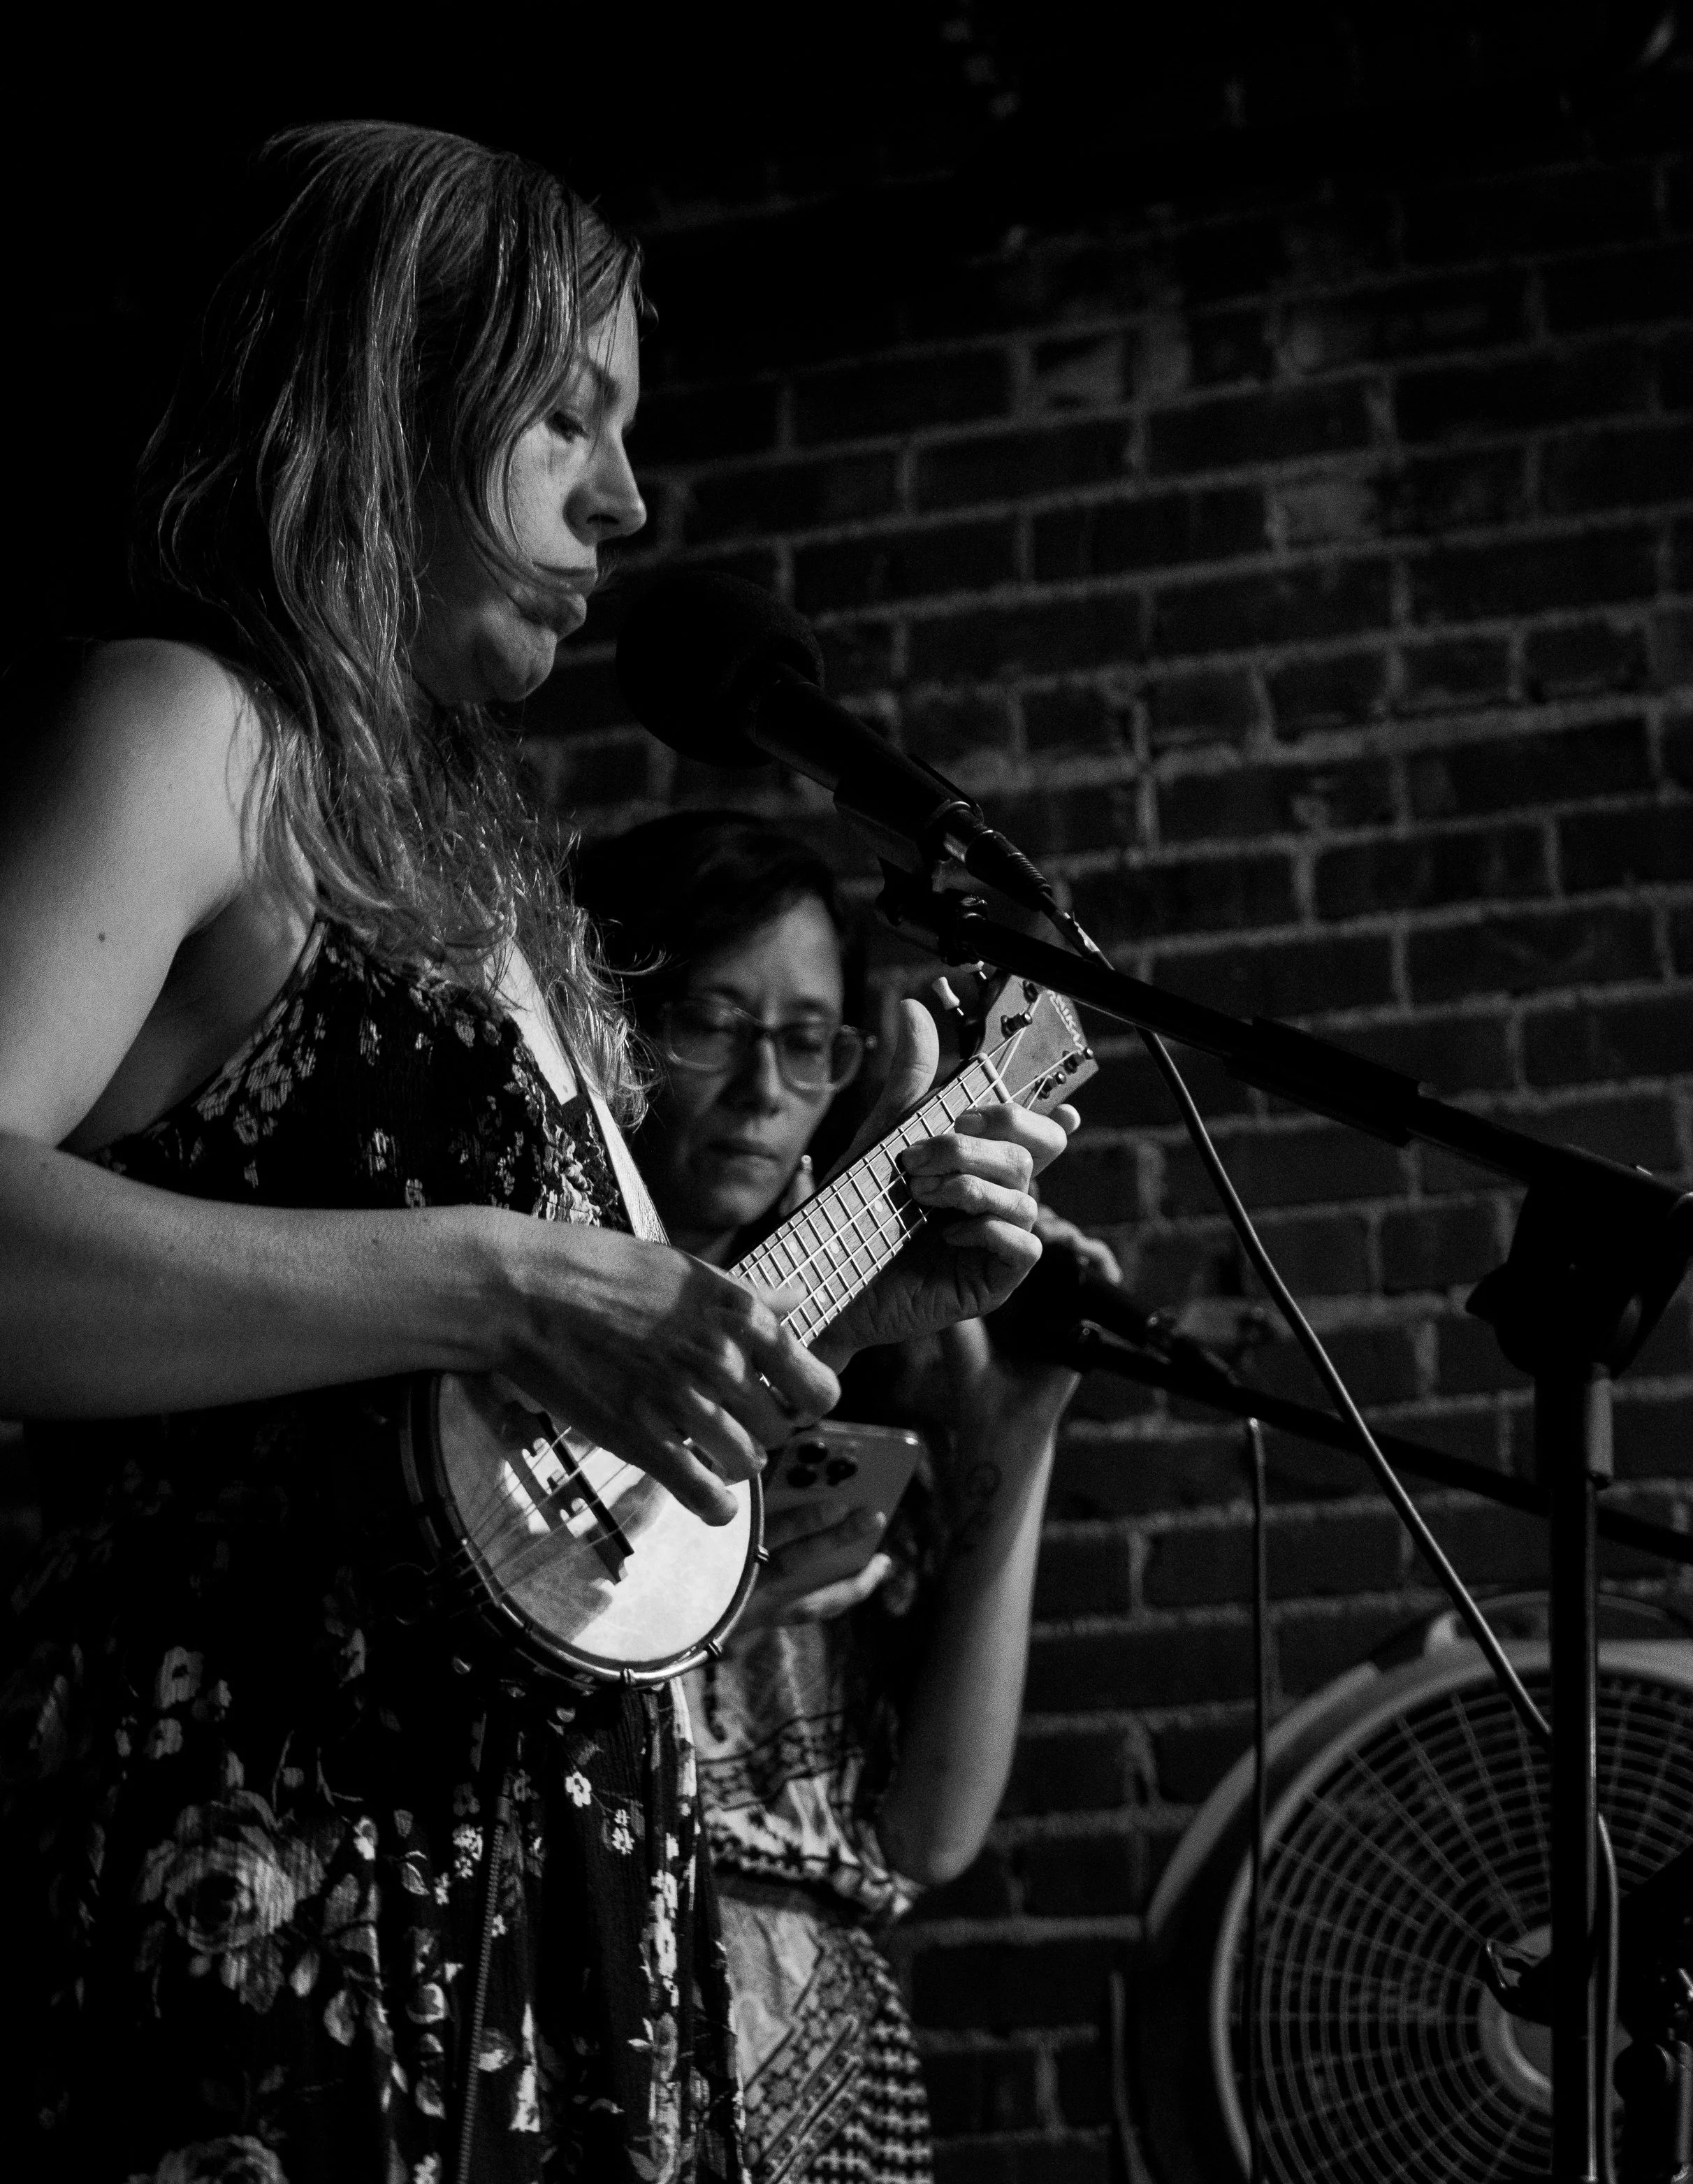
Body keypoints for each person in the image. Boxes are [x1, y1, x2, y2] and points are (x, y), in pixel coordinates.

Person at [0, 125, 1072, 2184]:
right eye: (563, 414)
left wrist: (855, 1280)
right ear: (382, 395)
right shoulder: (193, 731)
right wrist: (502, 1269)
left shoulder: (490, 900)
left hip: (549, 1918)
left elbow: (503, 1446)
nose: (626, 495)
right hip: (269, 1879)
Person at [576, 813, 1114, 2184]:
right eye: (711, 1020)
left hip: (827, 2054)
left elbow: (929, 1827)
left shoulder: (902, 1354)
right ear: (607, 1023)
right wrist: (728, 1602)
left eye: (810, 1037)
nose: (765, 1085)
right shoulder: (553, 1332)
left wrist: (1021, 1425)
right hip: (603, 1999)